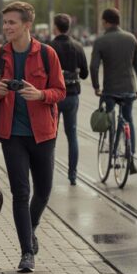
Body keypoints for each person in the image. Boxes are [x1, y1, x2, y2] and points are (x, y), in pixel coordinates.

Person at [0, 1, 65, 273]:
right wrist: (0, 91)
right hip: (12, 135)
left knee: (43, 191)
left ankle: (32, 227)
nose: (6, 27)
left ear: (27, 25)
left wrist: (41, 95)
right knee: (21, 192)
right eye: (5, 22)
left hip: (43, 133)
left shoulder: (47, 54)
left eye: (12, 23)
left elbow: (60, 91)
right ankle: (26, 252)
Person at [90, 7, 137, 174]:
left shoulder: (101, 41)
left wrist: (96, 86)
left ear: (105, 22)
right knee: (128, 120)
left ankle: (113, 149)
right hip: (129, 89)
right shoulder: (131, 38)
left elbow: (94, 66)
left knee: (109, 120)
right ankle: (131, 156)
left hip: (110, 90)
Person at [49, 14, 88, 185]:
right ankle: (73, 175)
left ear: (55, 27)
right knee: (72, 135)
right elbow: (85, 74)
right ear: (69, 28)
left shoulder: (49, 47)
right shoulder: (78, 46)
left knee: (51, 136)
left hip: (54, 98)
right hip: (72, 95)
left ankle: (48, 173)